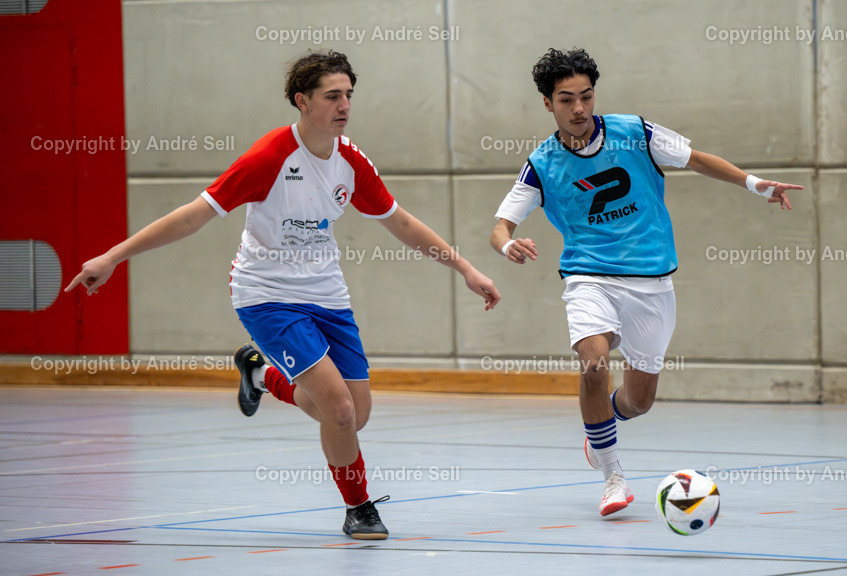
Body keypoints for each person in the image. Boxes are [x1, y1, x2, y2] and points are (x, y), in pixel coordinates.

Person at [66, 49, 501, 540]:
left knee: (355, 416)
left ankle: (258, 372)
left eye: (349, 96)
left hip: (327, 293)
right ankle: (358, 508)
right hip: (266, 294)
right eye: (332, 96)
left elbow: (399, 222)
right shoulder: (270, 157)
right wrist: (113, 256)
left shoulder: (349, 161)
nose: (344, 106)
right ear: (302, 101)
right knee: (336, 409)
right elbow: (193, 215)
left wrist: (465, 267)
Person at [490, 47, 800, 517]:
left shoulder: (635, 133)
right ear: (547, 104)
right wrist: (506, 245)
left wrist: (756, 184)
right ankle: (613, 476)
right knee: (593, 363)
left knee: (639, 401)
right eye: (566, 99)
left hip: (652, 282)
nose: (578, 109)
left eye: (586, 97)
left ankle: (602, 427)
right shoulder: (543, 163)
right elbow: (500, 225)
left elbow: (696, 159)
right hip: (588, 276)